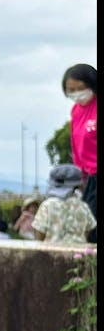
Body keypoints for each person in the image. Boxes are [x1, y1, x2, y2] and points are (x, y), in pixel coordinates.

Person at [62, 63, 97, 243]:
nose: (76, 93)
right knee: (90, 225)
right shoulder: (76, 111)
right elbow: (76, 144)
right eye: (71, 90)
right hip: (89, 177)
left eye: (80, 88)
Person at [32, 164, 97, 244]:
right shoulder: (83, 206)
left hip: (50, 254)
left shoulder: (47, 205)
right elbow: (88, 231)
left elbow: (39, 234)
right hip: (78, 254)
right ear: (77, 185)